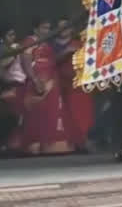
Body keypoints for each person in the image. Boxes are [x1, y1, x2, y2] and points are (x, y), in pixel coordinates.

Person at [10, 20, 75, 155]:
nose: (47, 31)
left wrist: (67, 52)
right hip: (38, 83)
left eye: (49, 28)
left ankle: (50, 146)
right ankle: (35, 146)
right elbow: (26, 61)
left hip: (52, 81)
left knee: (52, 113)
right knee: (38, 114)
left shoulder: (46, 43)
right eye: (44, 28)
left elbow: (52, 61)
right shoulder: (29, 41)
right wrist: (35, 80)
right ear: (35, 29)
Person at [51, 19, 93, 152]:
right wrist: (66, 52)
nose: (64, 30)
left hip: (79, 84)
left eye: (67, 27)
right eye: (61, 27)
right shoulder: (51, 45)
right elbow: (50, 62)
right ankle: (73, 143)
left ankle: (84, 142)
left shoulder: (79, 43)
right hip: (62, 85)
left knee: (83, 114)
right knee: (68, 115)